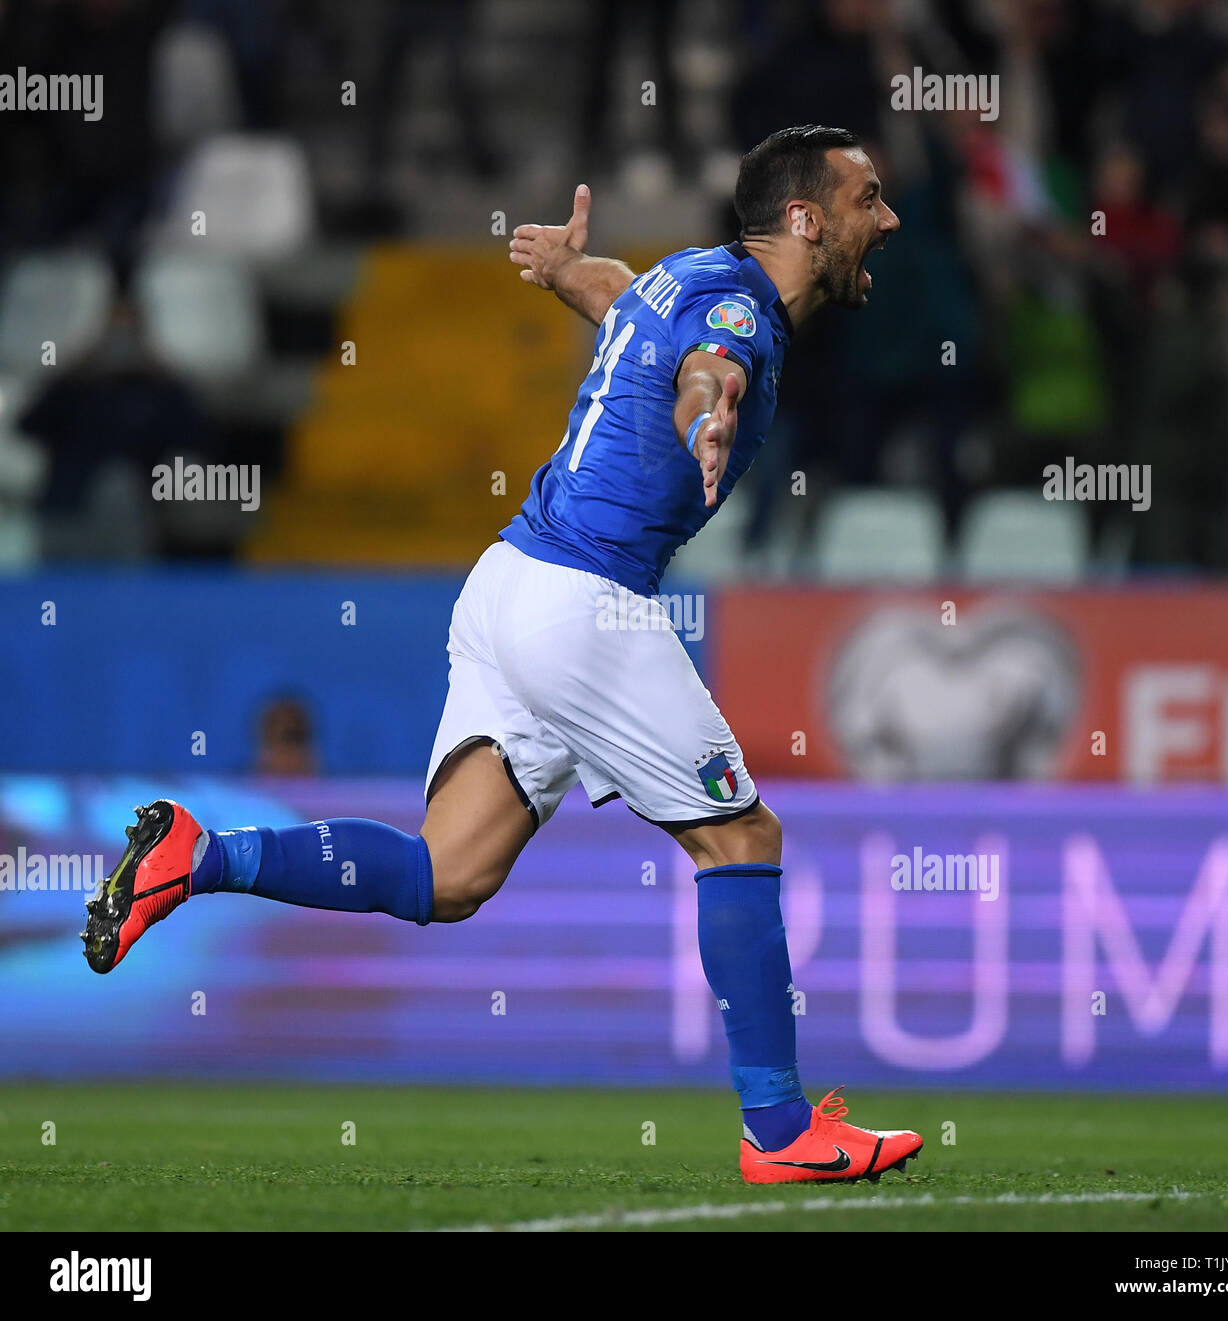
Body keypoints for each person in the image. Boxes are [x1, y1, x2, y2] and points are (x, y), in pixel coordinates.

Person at [82, 125, 920, 1185]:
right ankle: (781, 1131)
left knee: (447, 872)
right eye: (868, 200)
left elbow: (634, 307)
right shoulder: (740, 312)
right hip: (585, 604)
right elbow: (707, 369)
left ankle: (203, 856)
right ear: (805, 219)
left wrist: (569, 273)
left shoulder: (690, 275)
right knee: (741, 839)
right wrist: (709, 414)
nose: (885, 221)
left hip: (504, 585)